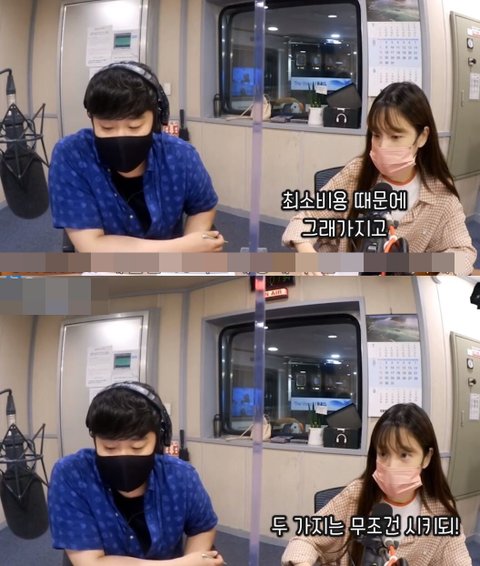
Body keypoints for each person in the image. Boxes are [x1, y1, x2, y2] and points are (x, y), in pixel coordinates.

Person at [282, 82, 477, 275]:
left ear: (422, 137)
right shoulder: (355, 173)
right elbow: (305, 218)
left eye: (395, 137)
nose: (383, 146)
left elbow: (464, 253)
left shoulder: (439, 193)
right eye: (376, 135)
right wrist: (306, 252)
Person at [49, 61, 225, 253]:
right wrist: (184, 248)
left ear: (156, 120)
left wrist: (194, 243)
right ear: (92, 120)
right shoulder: (72, 155)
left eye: (134, 127)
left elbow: (203, 207)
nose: (120, 137)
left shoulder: (180, 155)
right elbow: (91, 245)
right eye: (107, 128)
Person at [48, 381, 225, 566]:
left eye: (137, 447)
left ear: (159, 440)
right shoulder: (72, 475)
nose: (123, 457)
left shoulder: (181, 476)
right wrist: (185, 564)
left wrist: (196, 558)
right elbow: (91, 563)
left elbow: (202, 527)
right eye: (109, 448)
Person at [281, 403, 472, 566]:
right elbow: (305, 540)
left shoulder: (441, 511)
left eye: (404, 455)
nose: (391, 465)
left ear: (426, 458)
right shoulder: (356, 495)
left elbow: (458, 559)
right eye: (383, 453)